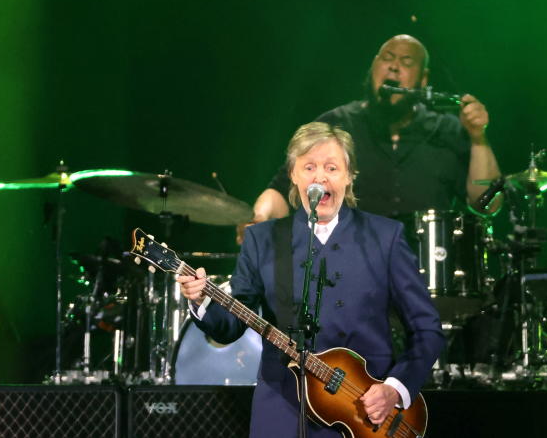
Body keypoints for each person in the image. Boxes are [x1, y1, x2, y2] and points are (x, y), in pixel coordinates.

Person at [179, 122, 445, 437]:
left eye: (332, 167)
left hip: (364, 414)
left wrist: (394, 390)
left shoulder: (385, 237)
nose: (320, 177)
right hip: (281, 408)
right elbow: (232, 325)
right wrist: (201, 301)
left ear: (349, 176)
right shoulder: (263, 239)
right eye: (309, 167)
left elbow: (427, 330)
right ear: (293, 176)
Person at [245, 34, 501, 239]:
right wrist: (259, 217)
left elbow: (487, 205)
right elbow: (282, 190)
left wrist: (478, 138)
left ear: (423, 80)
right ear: (372, 69)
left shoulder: (448, 130)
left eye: (407, 62)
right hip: (347, 277)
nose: (394, 66)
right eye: (387, 58)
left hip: (425, 284)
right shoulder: (336, 125)